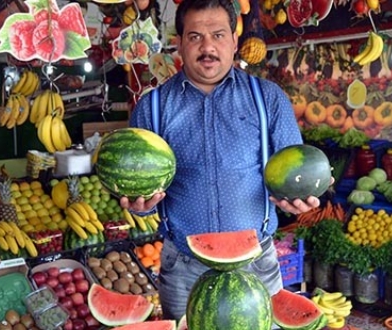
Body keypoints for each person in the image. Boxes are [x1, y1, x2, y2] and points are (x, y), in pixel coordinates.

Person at [121, 0, 332, 321]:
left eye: (218, 35)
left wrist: (298, 200)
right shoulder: (151, 107)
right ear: (178, 43)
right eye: (194, 37)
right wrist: (141, 204)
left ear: (234, 41)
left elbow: (295, 172)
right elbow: (143, 184)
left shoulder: (269, 99)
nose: (207, 47)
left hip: (256, 261)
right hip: (184, 266)